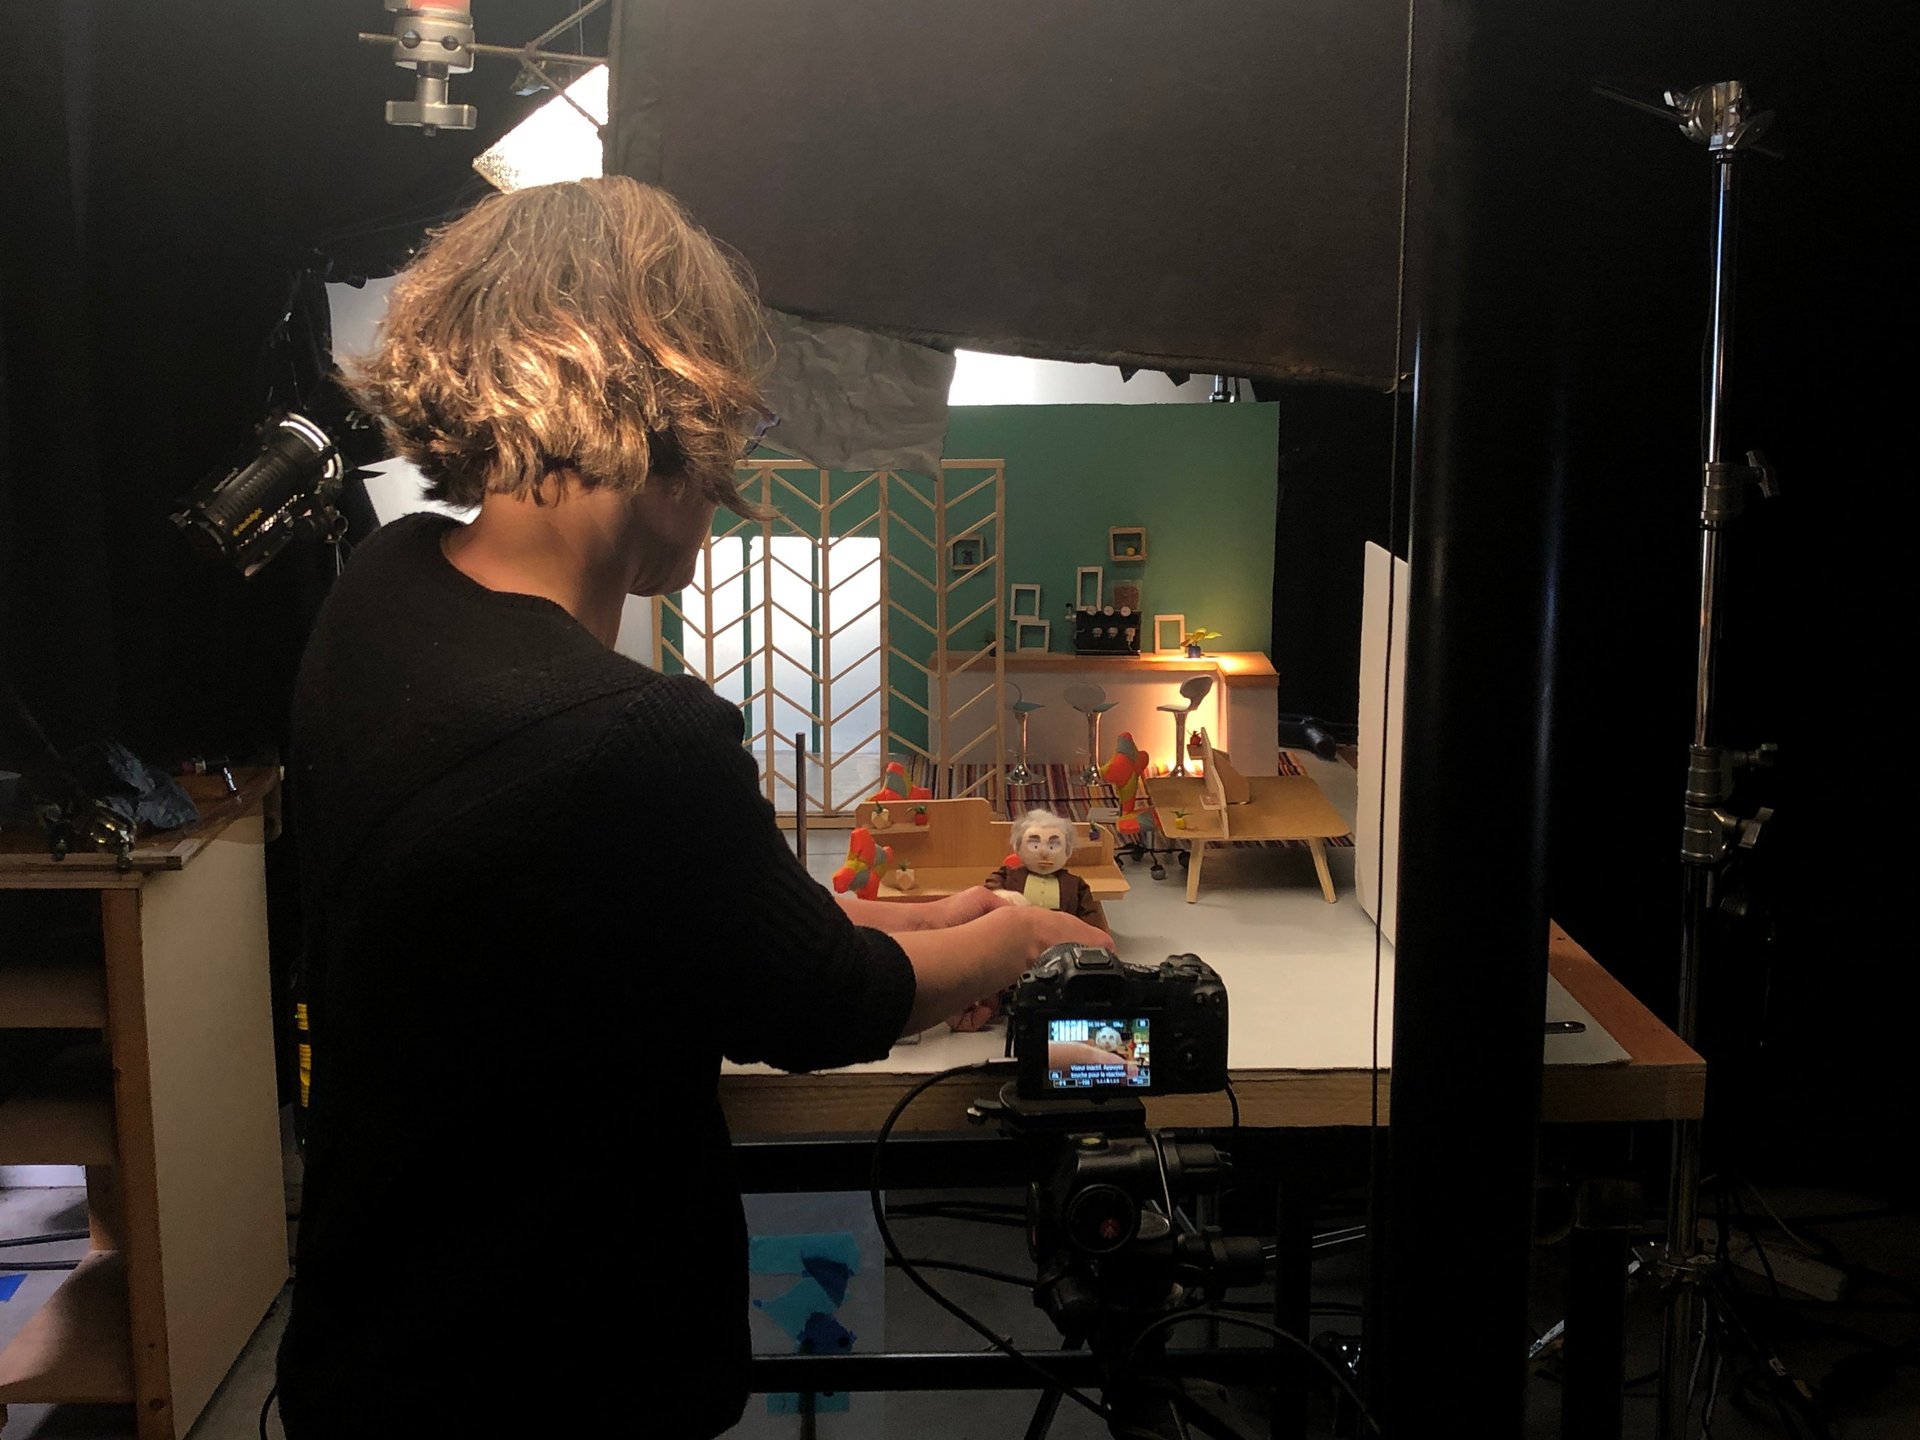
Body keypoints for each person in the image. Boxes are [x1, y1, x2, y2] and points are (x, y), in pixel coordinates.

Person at [274, 176, 1110, 1438]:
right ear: (658, 407)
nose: (727, 488)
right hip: (552, 1375)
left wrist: (893, 915)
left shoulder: (383, 600)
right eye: (727, 427)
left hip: (377, 1323)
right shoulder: (627, 733)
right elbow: (822, 1004)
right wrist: (1017, 939)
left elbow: (566, 939)